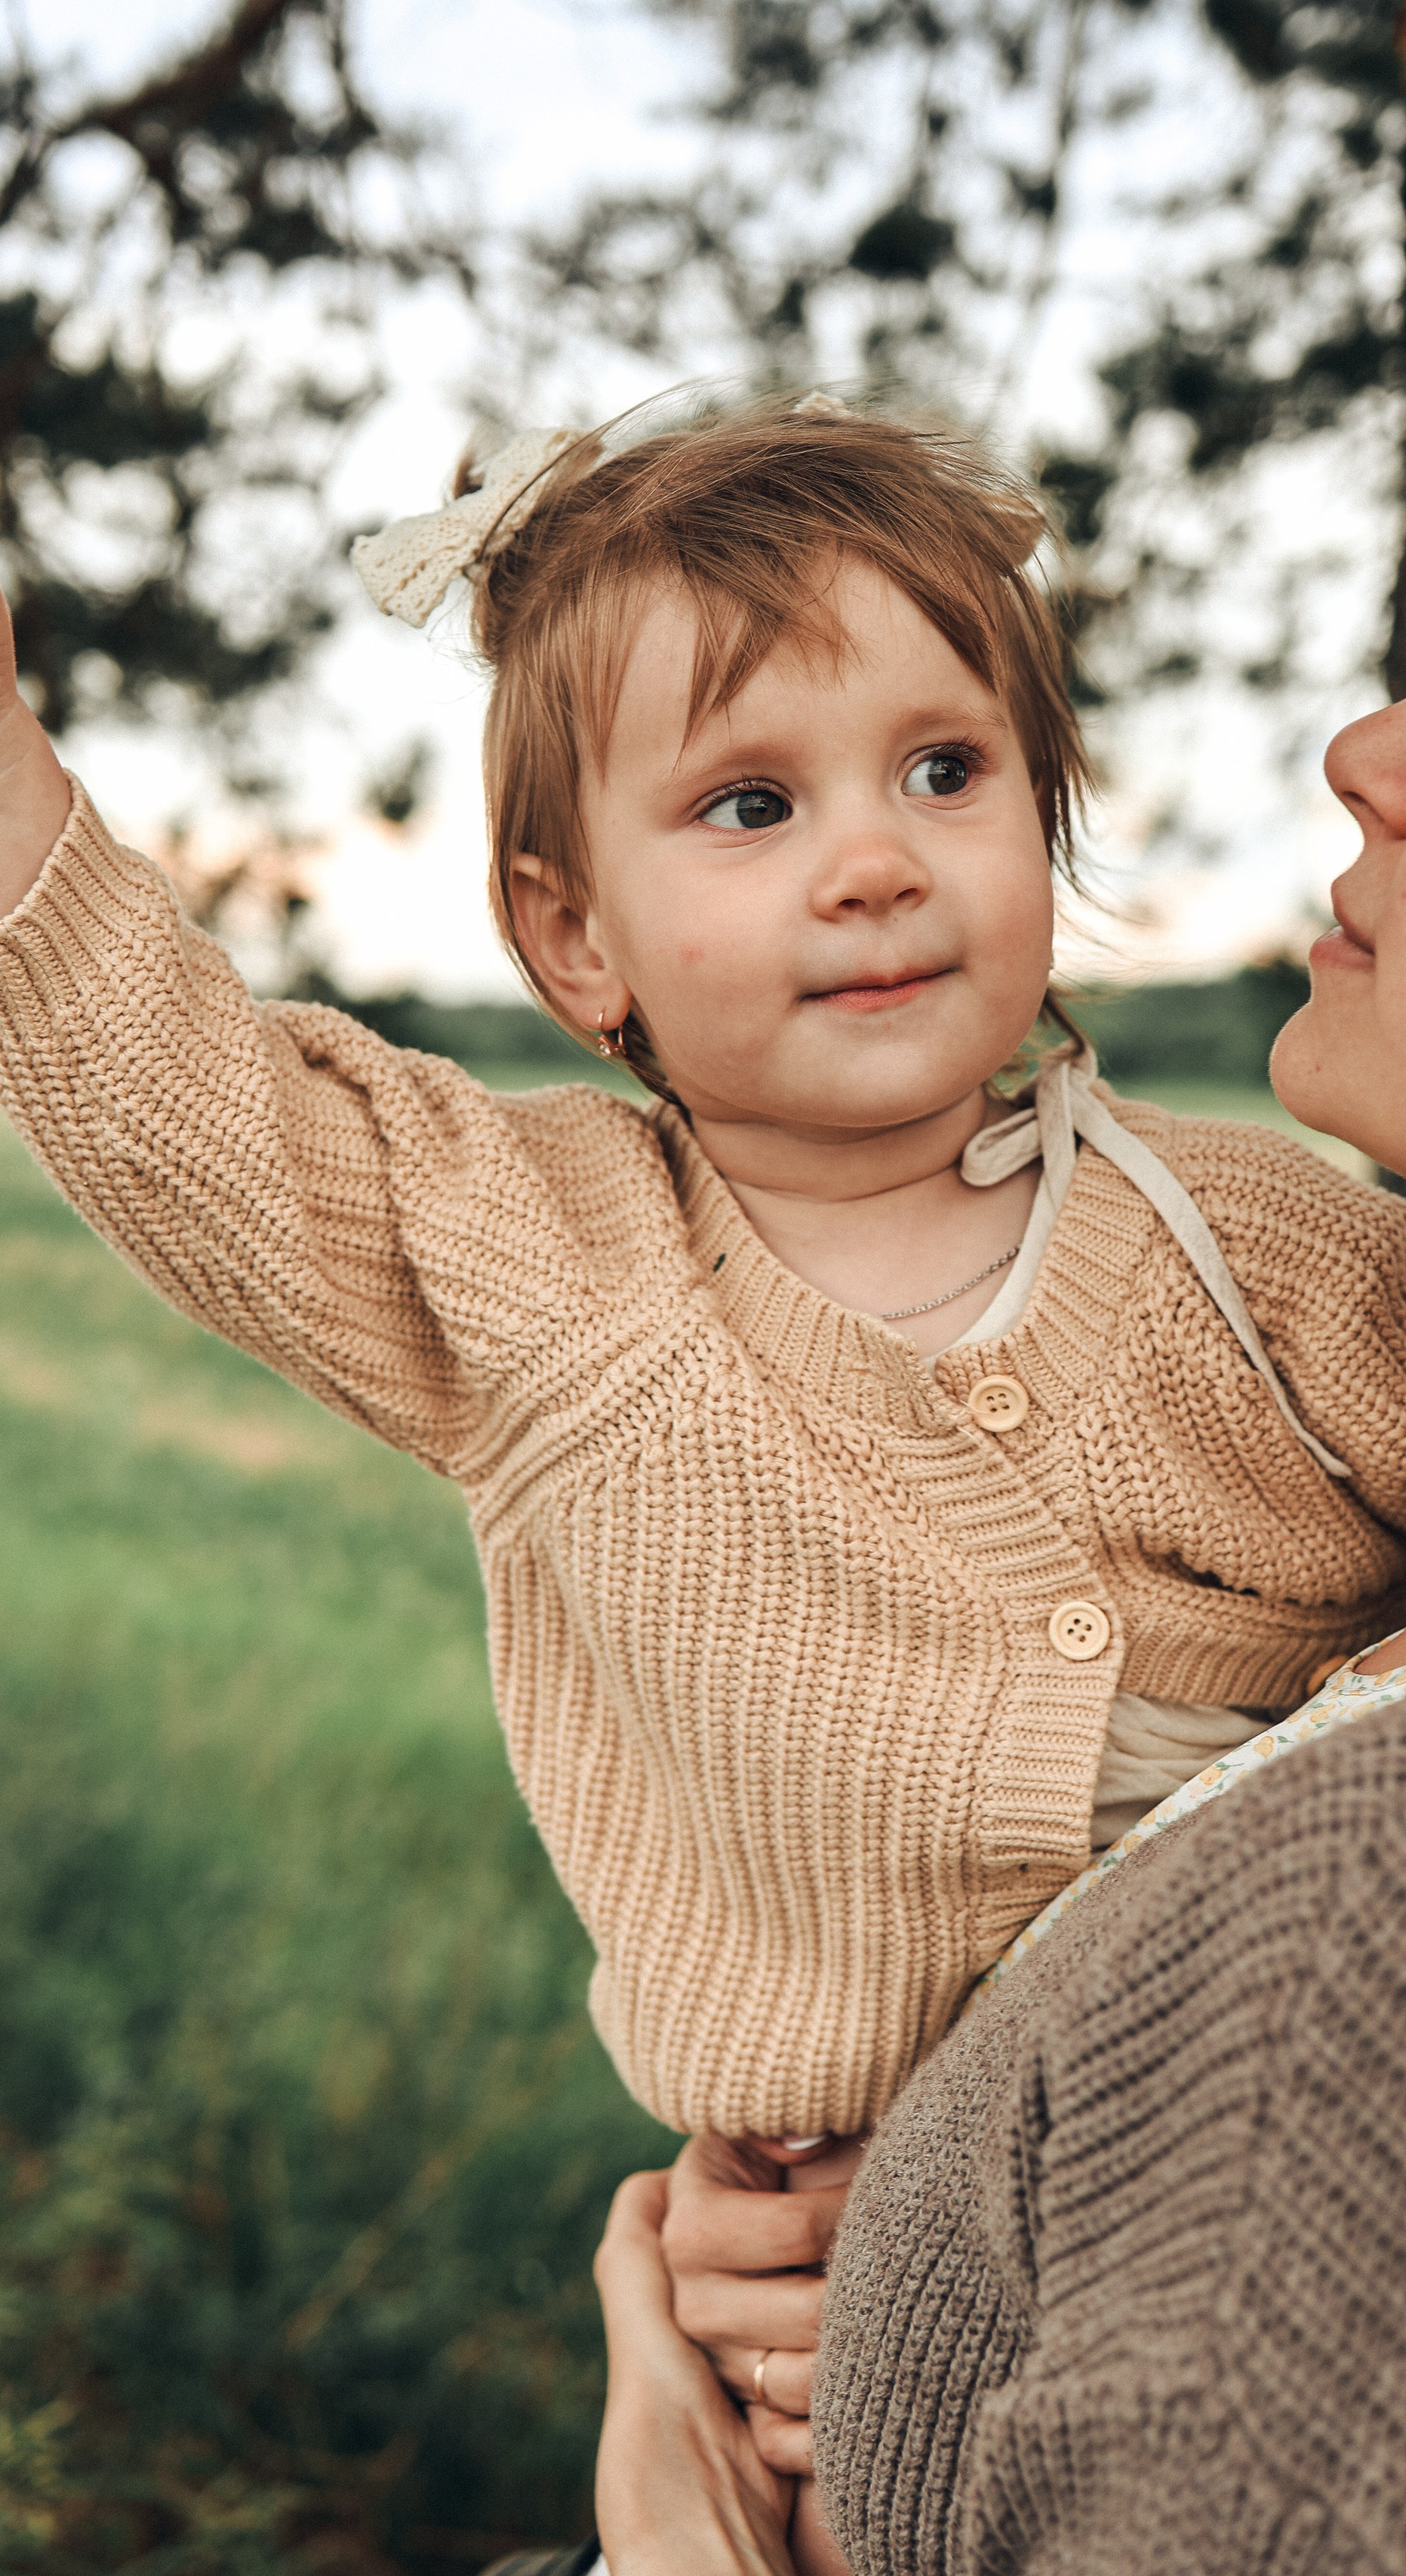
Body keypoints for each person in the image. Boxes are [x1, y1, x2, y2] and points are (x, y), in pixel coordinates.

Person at [0, 380, 1406, 2562]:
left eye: (945, 768)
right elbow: (199, 1113)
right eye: (745, 802)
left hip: (1248, 2159)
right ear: (574, 940)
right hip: (843, 2296)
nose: (876, 856)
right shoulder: (548, 1256)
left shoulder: (1271, 1243)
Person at [586, 691, 1406, 2574]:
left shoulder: (1361, 1901)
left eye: (944, 772)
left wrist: (672, 2548)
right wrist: (973, 2213)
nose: (1361, 752)